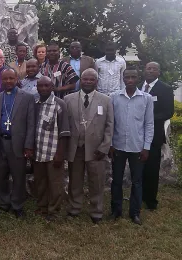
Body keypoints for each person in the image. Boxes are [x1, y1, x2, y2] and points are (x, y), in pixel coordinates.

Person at [64, 69, 113, 224]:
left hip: (96, 150)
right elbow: (65, 125)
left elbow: (110, 126)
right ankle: (74, 208)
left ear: (96, 82)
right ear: (81, 80)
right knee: (75, 180)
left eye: (91, 80)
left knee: (96, 181)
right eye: (85, 79)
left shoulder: (105, 100)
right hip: (75, 147)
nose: (88, 82)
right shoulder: (68, 99)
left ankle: (96, 211)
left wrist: (104, 147)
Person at [109, 67, 154, 225]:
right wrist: (110, 144)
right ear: (123, 78)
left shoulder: (146, 98)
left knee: (137, 181)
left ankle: (135, 212)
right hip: (118, 146)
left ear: (138, 78)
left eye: (133, 77)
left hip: (137, 147)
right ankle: (116, 210)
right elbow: (110, 123)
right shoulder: (114, 97)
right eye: (127, 77)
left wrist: (146, 147)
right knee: (116, 180)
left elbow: (149, 124)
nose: (130, 80)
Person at [0, 68, 35, 218]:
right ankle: (3, 204)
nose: (8, 81)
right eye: (5, 79)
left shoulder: (27, 98)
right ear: (1, 80)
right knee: (0, 176)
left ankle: (17, 205)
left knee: (18, 177)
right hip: (0, 142)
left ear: (17, 79)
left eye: (11, 78)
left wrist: (28, 145)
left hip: (18, 144)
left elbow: (31, 123)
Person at [33, 76, 70, 221]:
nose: (43, 89)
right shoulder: (35, 103)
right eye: (40, 86)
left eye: (46, 86)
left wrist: (60, 154)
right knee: (40, 182)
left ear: (52, 87)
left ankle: (53, 210)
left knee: (55, 184)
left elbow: (64, 131)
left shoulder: (59, 104)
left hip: (53, 152)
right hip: (38, 151)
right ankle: (42, 207)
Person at [141, 62, 174, 211]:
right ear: (144, 71)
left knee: (152, 168)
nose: (151, 71)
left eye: (154, 69)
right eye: (148, 68)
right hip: (137, 134)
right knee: (139, 167)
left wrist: (150, 118)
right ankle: (139, 195)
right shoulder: (138, 86)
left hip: (154, 134)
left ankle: (150, 200)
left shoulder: (165, 89)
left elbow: (168, 112)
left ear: (158, 72)